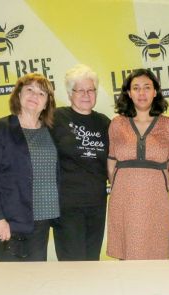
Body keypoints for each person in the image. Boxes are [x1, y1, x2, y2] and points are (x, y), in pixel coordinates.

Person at [0, 73, 59, 261]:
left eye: (41, 93)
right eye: (29, 89)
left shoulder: (51, 131)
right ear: (18, 95)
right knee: (10, 282)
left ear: (46, 103)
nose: (34, 95)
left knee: (36, 281)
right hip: (9, 220)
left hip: (41, 221)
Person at [107, 69, 169, 260]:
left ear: (155, 92)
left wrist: (156, 187)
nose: (141, 93)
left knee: (155, 257)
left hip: (155, 201)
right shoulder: (117, 124)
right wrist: (126, 185)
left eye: (147, 87)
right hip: (123, 200)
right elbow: (111, 164)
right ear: (128, 93)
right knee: (127, 258)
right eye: (136, 88)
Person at [52, 64, 110, 261]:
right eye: (80, 90)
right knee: (72, 265)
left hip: (97, 204)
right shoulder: (56, 117)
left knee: (92, 261)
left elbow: (113, 162)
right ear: (70, 94)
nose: (86, 95)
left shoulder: (104, 122)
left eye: (91, 90)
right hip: (67, 207)